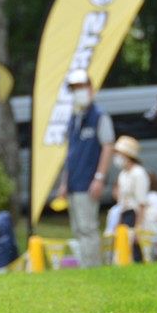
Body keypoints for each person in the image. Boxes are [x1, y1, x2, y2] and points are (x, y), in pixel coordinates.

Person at [57, 69, 115, 268]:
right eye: (74, 88)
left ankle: (93, 267)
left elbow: (108, 146)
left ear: (90, 88)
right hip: (74, 182)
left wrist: (99, 177)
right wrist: (65, 182)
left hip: (89, 181)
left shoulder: (99, 116)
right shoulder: (74, 118)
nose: (78, 92)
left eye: (80, 87)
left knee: (88, 228)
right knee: (78, 228)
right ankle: (84, 266)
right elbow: (70, 153)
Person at [112, 135, 149, 264]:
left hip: (136, 214)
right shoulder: (123, 174)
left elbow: (142, 202)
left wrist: (139, 225)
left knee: (136, 248)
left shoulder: (139, 173)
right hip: (125, 213)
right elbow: (121, 200)